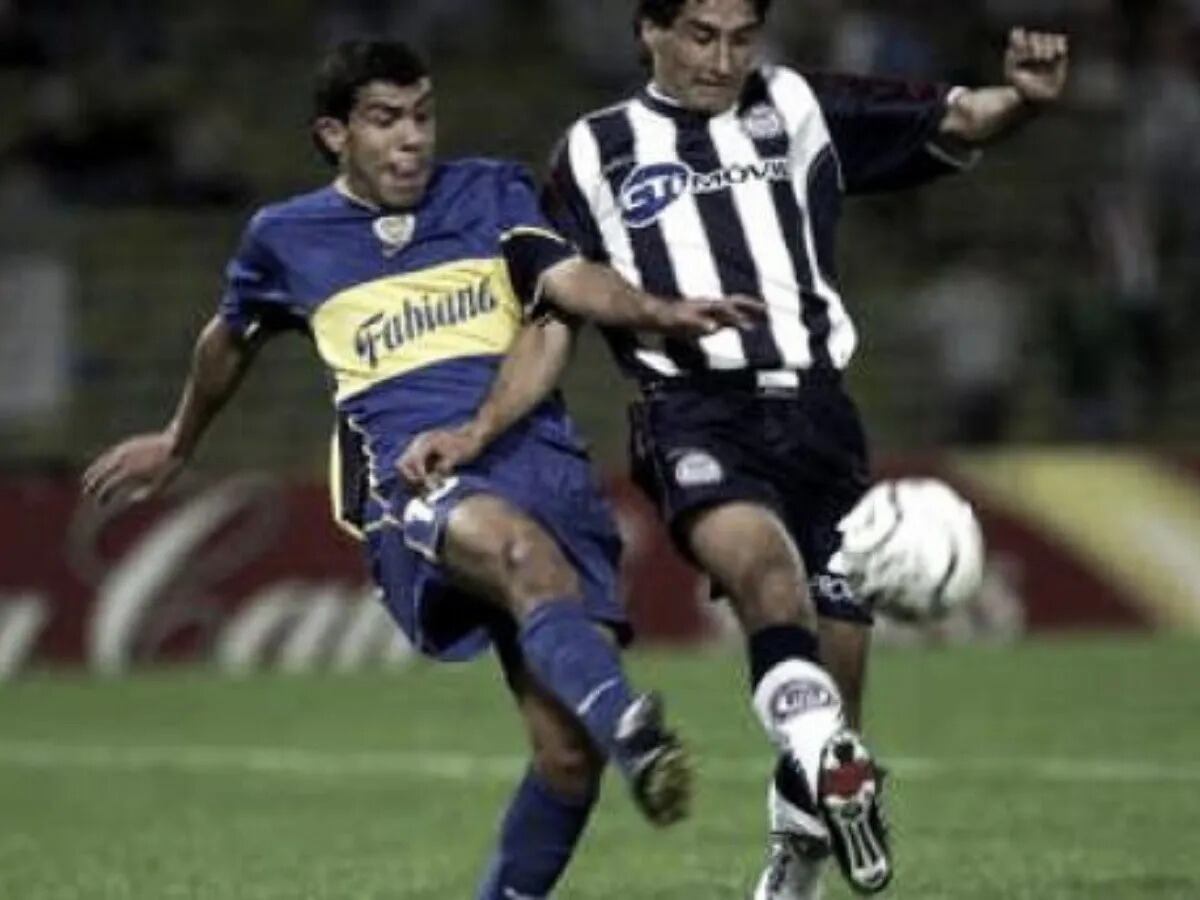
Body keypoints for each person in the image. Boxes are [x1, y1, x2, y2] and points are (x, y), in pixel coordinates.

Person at [399, 3, 1068, 896]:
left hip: (822, 417)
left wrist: (1023, 100)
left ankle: (800, 839)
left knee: (835, 680)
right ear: (650, 31)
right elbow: (558, 307)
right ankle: (829, 757)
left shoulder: (795, 105)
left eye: (740, 37)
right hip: (693, 412)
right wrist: (482, 428)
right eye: (700, 35)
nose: (722, 58)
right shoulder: (594, 152)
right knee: (764, 572)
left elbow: (958, 117)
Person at [81, 39, 761, 900]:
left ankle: (598, 744)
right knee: (519, 555)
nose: (412, 139)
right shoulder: (285, 239)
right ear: (334, 133)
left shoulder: (492, 191)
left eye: (422, 115)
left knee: (562, 762)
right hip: (415, 481)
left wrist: (658, 309)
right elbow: (229, 339)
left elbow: (569, 278)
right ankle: (634, 727)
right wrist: (179, 440)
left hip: (539, 466)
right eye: (384, 119)